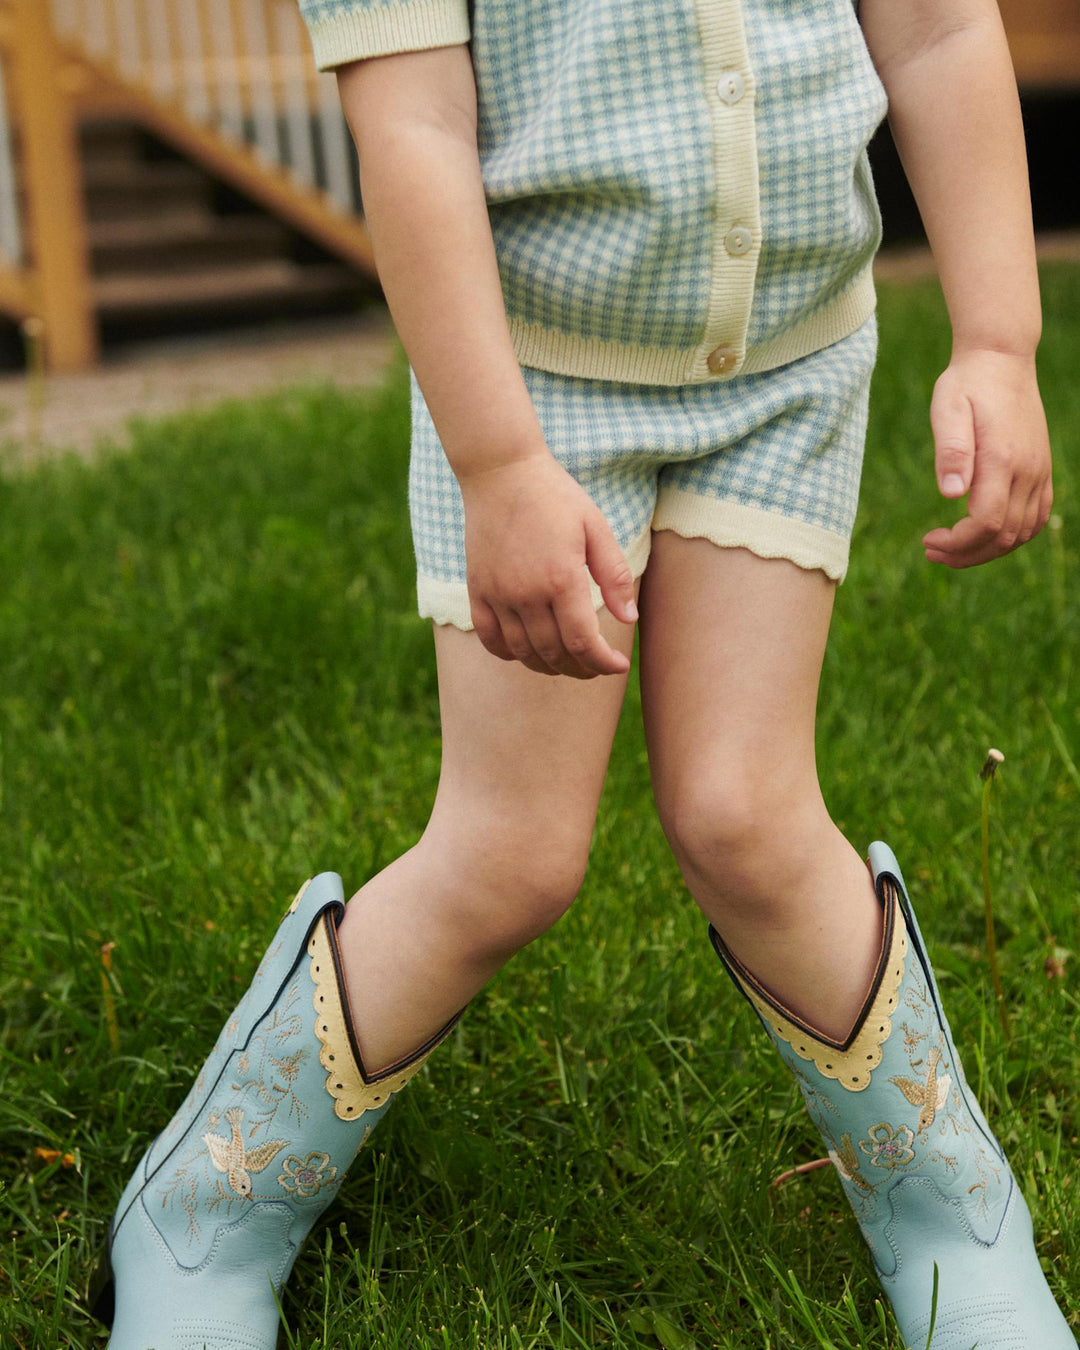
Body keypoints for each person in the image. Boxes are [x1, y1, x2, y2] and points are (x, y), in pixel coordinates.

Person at [91, 1, 1074, 1346]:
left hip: (786, 373)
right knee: (511, 851)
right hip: (531, 394)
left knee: (748, 812)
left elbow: (941, 35)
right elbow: (415, 132)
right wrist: (498, 466)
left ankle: (954, 1221)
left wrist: (998, 341)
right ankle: (205, 1207)